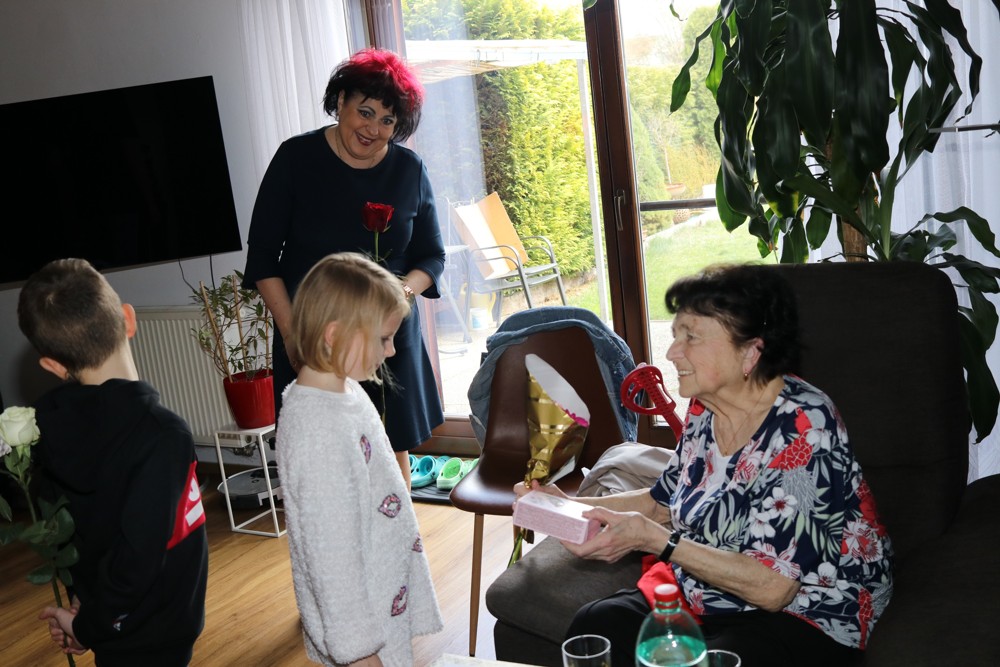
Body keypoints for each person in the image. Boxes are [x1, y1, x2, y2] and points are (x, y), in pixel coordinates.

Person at [516, 264, 893, 667]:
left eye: (691, 337)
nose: (672, 352)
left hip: (808, 608)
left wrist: (659, 542)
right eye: (676, 334)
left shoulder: (805, 426)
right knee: (596, 625)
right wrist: (567, 505)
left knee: (721, 660)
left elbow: (774, 588)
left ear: (751, 351)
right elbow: (661, 503)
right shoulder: (704, 407)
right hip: (712, 590)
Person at [243, 48, 446, 487]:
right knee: (321, 461)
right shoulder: (295, 159)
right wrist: (295, 334)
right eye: (365, 112)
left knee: (390, 456)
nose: (373, 129)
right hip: (313, 336)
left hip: (386, 340)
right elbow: (262, 258)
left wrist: (397, 300)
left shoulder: (408, 170)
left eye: (387, 120)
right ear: (340, 102)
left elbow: (432, 256)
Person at [17, 258, 208, 666]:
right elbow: (138, 560)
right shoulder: (163, 435)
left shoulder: (47, 433)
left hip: (107, 626)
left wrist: (83, 613)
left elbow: (67, 535)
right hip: (157, 631)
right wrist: (87, 626)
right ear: (128, 319)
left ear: (53, 365)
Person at [277, 252, 442, 667]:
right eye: (383, 338)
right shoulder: (317, 429)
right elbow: (329, 556)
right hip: (361, 639)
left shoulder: (345, 392)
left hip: (382, 606)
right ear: (335, 335)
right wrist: (360, 653)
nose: (391, 350)